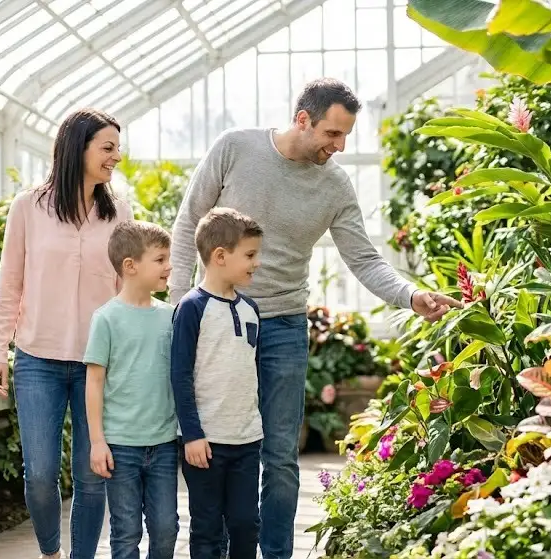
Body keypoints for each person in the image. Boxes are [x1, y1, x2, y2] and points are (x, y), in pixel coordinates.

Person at [168, 78, 463, 559]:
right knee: (214, 442)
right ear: (302, 119)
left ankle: (277, 554)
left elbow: (364, 259)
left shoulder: (334, 185)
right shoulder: (235, 148)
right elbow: (188, 223)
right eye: (332, 133)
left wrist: (411, 297)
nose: (339, 146)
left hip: (282, 322)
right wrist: (183, 304)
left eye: (346, 136)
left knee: (280, 453)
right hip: (215, 320)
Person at [0, 107, 133, 559]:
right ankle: (51, 551)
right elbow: (9, 282)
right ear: (78, 147)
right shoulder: (28, 207)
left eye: (117, 148)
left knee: (93, 476)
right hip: (38, 360)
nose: (116, 158)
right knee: (39, 475)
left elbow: (126, 290)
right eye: (107, 148)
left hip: (98, 365)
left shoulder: (119, 210)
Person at [172, 207, 264, 559]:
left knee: (245, 523)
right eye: (251, 255)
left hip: (246, 440)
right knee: (207, 528)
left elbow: (250, 373)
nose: (257, 263)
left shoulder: (250, 309)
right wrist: (192, 434)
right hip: (205, 444)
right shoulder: (191, 307)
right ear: (220, 256)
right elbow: (180, 375)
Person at [83, 220, 179, 559]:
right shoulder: (106, 318)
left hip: (164, 443)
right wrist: (97, 442)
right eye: (160, 259)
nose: (169, 267)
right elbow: (94, 382)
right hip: (121, 446)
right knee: (125, 533)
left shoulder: (171, 316)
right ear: (130, 266)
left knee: (167, 528)